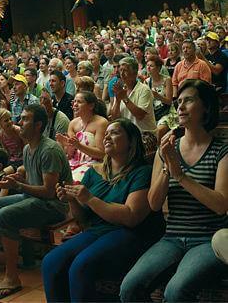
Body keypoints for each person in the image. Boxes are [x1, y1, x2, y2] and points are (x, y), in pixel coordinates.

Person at [120, 80, 228, 302]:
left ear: (206, 106)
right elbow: (154, 204)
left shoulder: (221, 150)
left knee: (175, 291)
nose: (180, 107)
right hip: (173, 238)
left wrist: (180, 175)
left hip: (208, 239)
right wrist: (168, 168)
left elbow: (220, 205)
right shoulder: (168, 149)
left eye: (188, 100)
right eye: (178, 102)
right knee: (129, 288)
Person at [0, 105, 72, 300]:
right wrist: (17, 178)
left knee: (5, 215)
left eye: (25, 119)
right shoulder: (28, 148)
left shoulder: (49, 149)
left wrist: (18, 185)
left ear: (38, 125)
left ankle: (12, 277)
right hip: (34, 198)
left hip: (54, 205)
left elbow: (50, 192)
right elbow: (32, 182)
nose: (19, 122)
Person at [42, 119, 161, 302]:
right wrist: (73, 200)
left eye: (115, 132)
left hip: (129, 233)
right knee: (50, 262)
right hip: (97, 230)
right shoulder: (93, 172)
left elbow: (131, 217)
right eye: (106, 133)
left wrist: (89, 198)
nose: (107, 136)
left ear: (131, 141)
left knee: (81, 266)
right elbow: (83, 221)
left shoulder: (142, 172)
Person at [58, 91, 108, 183]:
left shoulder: (101, 123)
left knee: (73, 181)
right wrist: (67, 145)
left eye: (79, 102)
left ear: (91, 106)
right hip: (73, 162)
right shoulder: (73, 123)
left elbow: (102, 154)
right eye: (74, 102)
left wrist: (79, 146)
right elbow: (70, 155)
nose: (75, 104)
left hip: (94, 165)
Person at [110, 56, 156, 133]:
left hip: (144, 134)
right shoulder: (120, 89)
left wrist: (124, 98)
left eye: (125, 70)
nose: (121, 74)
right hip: (127, 135)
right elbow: (115, 118)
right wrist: (117, 101)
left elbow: (140, 115)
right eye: (120, 70)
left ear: (134, 73)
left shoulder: (144, 90)